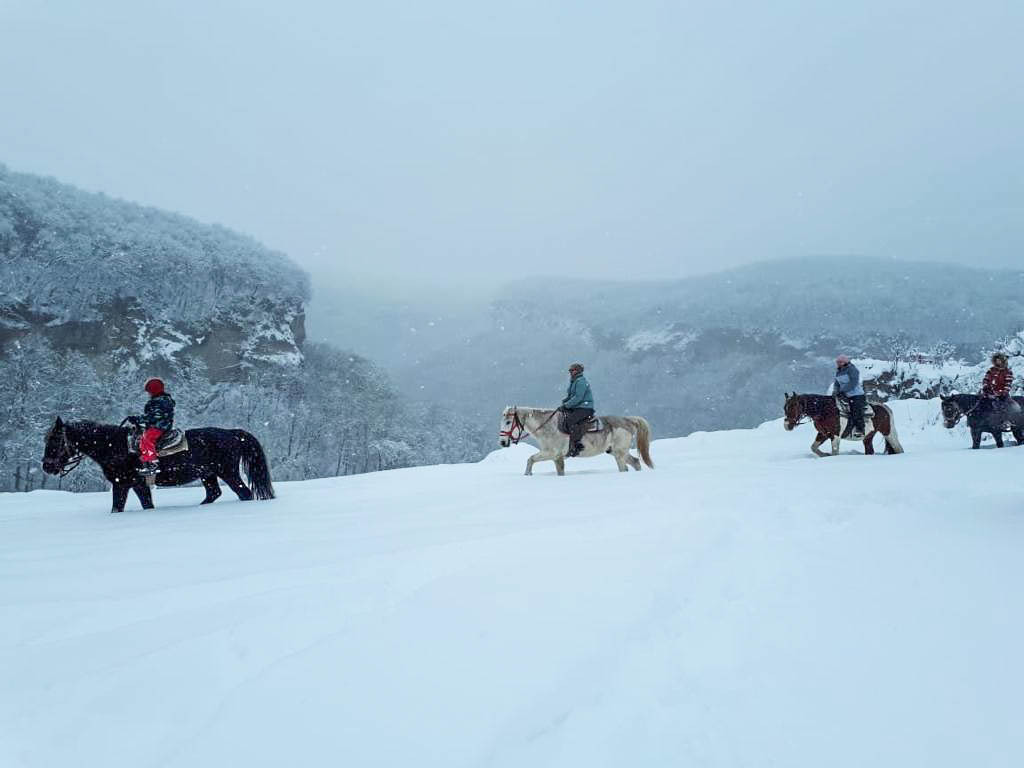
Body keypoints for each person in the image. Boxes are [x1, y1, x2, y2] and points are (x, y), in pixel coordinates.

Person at [136, 377, 175, 477]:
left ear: (154, 390)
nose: (148, 394)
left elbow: (155, 416)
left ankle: (153, 462)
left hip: (160, 426)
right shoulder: (161, 400)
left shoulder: (160, 401)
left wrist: (139, 419)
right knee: (141, 436)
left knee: (147, 438)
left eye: (149, 392)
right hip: (158, 425)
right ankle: (145, 457)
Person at [560, 362, 594, 457]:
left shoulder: (581, 381)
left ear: (578, 371)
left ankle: (576, 445)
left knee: (570, 420)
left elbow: (578, 397)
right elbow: (571, 396)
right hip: (577, 407)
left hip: (585, 407)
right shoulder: (574, 381)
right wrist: (564, 403)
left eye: (572, 370)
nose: (570, 372)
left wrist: (567, 405)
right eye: (570, 370)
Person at [980, 352, 1018, 428]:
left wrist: (1002, 392)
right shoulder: (991, 370)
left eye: (999, 360)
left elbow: (1008, 384)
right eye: (996, 360)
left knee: (1002, 406)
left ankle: (1005, 421)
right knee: (980, 402)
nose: (998, 362)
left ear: (1003, 361)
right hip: (989, 392)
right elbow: (986, 379)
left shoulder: (1007, 372)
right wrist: (985, 387)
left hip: (1001, 394)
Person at [833, 354, 866, 439]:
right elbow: (836, 383)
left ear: (845, 362)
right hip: (844, 395)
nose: (838, 364)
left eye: (840, 362)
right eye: (837, 362)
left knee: (855, 411)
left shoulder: (852, 369)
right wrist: (835, 391)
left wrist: (842, 390)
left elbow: (853, 383)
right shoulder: (839, 372)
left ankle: (860, 429)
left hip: (856, 395)